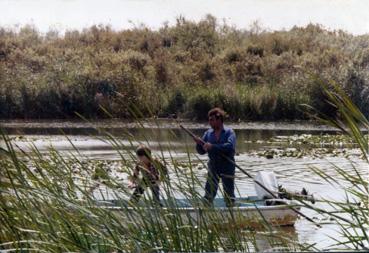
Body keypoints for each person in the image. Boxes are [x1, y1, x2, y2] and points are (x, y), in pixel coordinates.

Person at [194, 107, 236, 207]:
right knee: (209, 193)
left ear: (219, 119)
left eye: (211, 120)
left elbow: (230, 147)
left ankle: (231, 211)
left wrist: (213, 146)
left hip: (227, 166)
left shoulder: (230, 133)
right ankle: (206, 211)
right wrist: (198, 143)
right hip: (213, 166)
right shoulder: (208, 134)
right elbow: (201, 152)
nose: (209, 122)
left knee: (229, 193)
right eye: (209, 120)